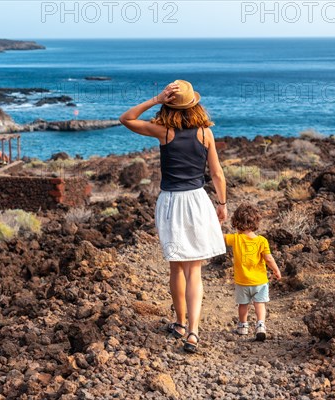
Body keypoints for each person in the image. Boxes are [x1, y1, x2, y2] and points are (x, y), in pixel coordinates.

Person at [119, 80, 228, 353]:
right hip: (198, 201)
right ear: (194, 105)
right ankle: (193, 332)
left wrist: (155, 99)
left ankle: (180, 323)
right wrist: (222, 203)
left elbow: (126, 118)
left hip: (171, 203)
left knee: (176, 267)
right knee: (195, 271)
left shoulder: (164, 132)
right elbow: (216, 174)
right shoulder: (206, 134)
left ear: (169, 106)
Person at [224, 203, 282, 341]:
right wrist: (276, 270)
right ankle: (260, 325)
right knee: (259, 304)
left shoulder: (235, 238)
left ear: (236, 222)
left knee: (243, 305)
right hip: (260, 281)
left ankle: (243, 326)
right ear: (256, 222)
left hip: (242, 282)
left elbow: (220, 237)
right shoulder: (262, 241)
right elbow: (268, 258)